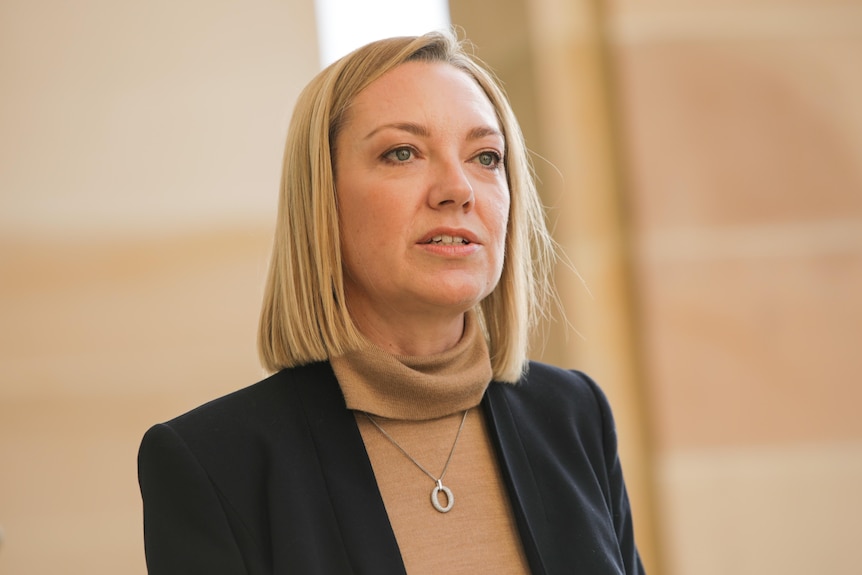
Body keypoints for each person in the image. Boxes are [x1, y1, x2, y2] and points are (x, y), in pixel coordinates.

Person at [138, 30, 645, 575]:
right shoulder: (213, 462)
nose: (458, 188)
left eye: (486, 156)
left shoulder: (573, 415)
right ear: (321, 199)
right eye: (402, 152)